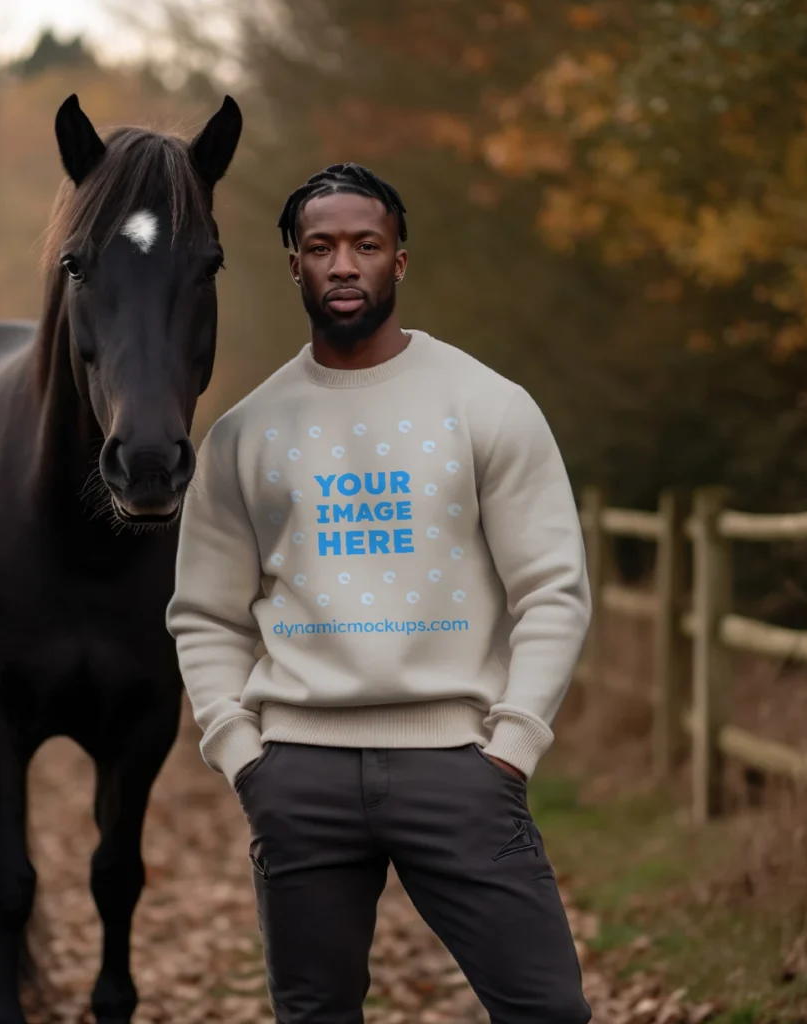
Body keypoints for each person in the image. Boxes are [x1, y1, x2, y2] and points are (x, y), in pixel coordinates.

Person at [166, 162, 592, 1024]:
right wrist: (242, 754)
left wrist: (513, 745)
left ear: (401, 260)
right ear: (293, 263)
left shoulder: (487, 406)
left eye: (367, 244)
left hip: (462, 770)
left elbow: (552, 588)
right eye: (321, 247)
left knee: (549, 1012)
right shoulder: (244, 434)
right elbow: (204, 614)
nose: (345, 264)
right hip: (299, 777)